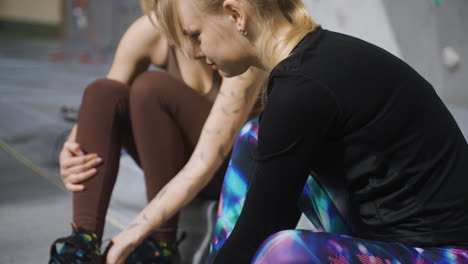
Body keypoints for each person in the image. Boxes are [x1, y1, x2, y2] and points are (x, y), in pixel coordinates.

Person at [105, 0, 468, 263]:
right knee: (253, 136)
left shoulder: (301, 89)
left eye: (196, 35)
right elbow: (259, 221)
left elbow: (259, 230)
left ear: (235, 14)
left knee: (285, 253)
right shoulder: (316, 60)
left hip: (445, 255)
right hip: (383, 233)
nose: (195, 52)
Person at [48, 6, 265, 264]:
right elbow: (99, 109)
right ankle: (82, 244)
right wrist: (71, 152)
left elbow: (206, 161)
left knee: (150, 88)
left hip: (230, 173)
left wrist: (138, 229)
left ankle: (161, 247)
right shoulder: (149, 31)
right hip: (176, 162)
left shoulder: (237, 33)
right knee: (102, 91)